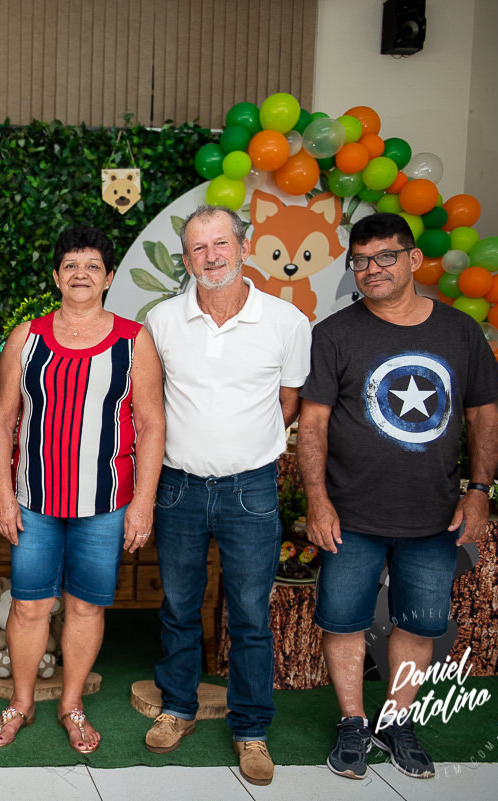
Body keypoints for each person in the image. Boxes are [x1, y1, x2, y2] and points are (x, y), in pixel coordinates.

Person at [297, 212, 498, 781]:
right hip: (351, 514)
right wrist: (317, 501)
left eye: (385, 257)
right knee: (342, 622)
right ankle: (352, 723)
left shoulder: (460, 332)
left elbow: (485, 416)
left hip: (434, 516)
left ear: (414, 260)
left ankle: (396, 719)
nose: (372, 270)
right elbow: (311, 426)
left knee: (417, 624)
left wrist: (480, 492)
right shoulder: (334, 335)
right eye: (361, 261)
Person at [142, 205, 311, 786]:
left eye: (220, 244)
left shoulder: (287, 322)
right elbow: (149, 406)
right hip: (178, 487)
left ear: (243, 246)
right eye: (198, 249)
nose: (210, 257)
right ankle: (178, 709)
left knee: (249, 616)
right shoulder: (161, 321)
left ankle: (252, 731)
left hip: (251, 489)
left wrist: (241, 443)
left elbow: (288, 403)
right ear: (185, 259)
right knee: (180, 608)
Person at [0, 226, 165, 754]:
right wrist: (1, 491)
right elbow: (1, 421)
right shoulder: (27, 337)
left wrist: (144, 503)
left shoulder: (135, 340)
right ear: (56, 275)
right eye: (70, 265)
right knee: (28, 606)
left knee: (85, 606)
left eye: (92, 266)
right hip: (33, 501)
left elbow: (152, 423)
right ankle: (20, 702)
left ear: (108, 277)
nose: (80, 274)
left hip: (105, 503)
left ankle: (71, 705)